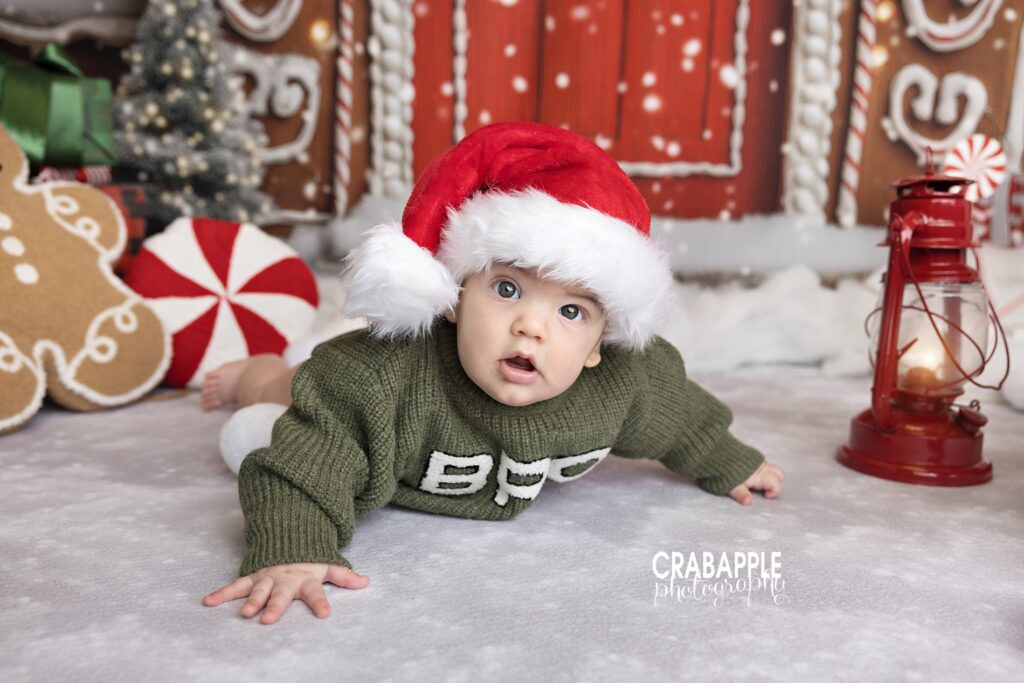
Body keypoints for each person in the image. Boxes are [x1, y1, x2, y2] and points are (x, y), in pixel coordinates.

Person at [202, 122, 785, 625]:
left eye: (571, 312)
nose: (532, 327)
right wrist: (294, 548)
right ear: (456, 297)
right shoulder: (374, 380)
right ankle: (251, 373)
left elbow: (682, 416)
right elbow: (306, 466)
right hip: (363, 377)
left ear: (597, 346)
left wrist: (729, 459)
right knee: (286, 388)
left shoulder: (625, 382)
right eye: (507, 289)